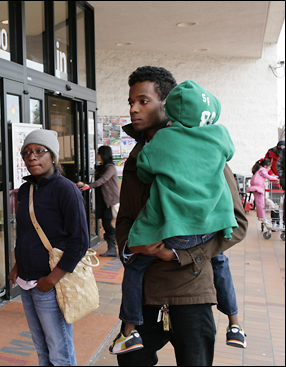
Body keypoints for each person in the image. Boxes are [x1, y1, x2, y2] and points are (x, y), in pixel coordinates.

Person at [114, 66, 248, 366]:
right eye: (130, 102)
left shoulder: (204, 152)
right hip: (143, 295)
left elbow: (237, 224)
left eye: (143, 101)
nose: (134, 109)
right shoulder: (137, 157)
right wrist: (130, 246)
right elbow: (124, 218)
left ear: (167, 103)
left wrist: (179, 254)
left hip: (192, 292)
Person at [7, 129, 89, 366]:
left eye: (39, 151)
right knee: (41, 346)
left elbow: (79, 241)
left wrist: (52, 279)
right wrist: (17, 265)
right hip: (27, 281)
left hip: (50, 283)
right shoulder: (25, 190)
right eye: (27, 152)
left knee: (59, 349)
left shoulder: (66, 189)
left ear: (52, 156)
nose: (32, 157)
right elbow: (25, 232)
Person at [76, 145, 120, 257]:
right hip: (103, 200)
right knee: (105, 224)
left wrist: (88, 186)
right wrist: (85, 184)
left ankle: (119, 241)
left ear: (103, 154)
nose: (97, 156)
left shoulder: (110, 167)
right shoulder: (102, 167)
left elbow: (103, 180)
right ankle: (112, 248)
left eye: (99, 153)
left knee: (107, 224)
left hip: (110, 201)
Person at [246, 158, 279, 227]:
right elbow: (268, 177)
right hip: (258, 189)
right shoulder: (263, 170)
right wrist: (277, 178)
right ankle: (263, 217)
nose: (270, 169)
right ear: (266, 166)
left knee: (262, 201)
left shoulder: (259, 170)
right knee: (260, 204)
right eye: (269, 167)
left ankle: (271, 207)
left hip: (256, 188)